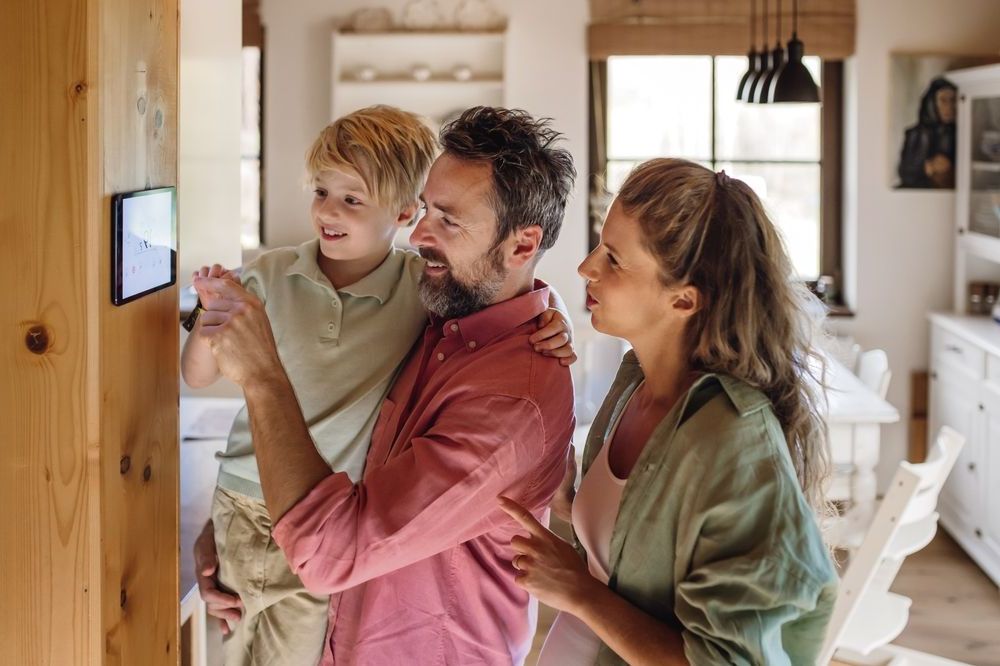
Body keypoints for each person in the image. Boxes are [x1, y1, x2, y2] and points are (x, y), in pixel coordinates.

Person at [182, 105, 576, 665]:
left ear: (520, 245)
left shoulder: (507, 396)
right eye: (428, 213)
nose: (420, 234)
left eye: (447, 218)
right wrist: (237, 511)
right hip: (315, 589)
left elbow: (329, 551)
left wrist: (263, 377)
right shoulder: (447, 310)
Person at [500, 158, 839, 665]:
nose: (586, 268)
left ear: (684, 301)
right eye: (600, 245)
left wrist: (577, 591)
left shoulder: (735, 442)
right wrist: (569, 502)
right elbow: (632, 557)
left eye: (614, 259)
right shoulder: (635, 382)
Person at [897, 76, 957, 188]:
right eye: (943, 100)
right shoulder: (916, 133)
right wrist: (929, 167)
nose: (950, 107)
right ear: (932, 103)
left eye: (953, 100)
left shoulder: (960, 133)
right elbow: (904, 172)